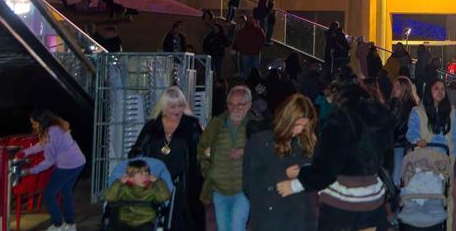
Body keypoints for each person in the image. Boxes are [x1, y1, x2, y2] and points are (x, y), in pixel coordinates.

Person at [276, 66, 395, 231]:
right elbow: (388, 158)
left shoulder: (339, 121)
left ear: (334, 91)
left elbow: (326, 170)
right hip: (372, 202)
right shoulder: (378, 116)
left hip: (343, 207)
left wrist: (296, 184)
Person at [130, 86, 205, 231]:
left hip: (184, 185)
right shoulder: (152, 126)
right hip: (155, 183)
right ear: (164, 107)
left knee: (183, 222)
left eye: (180, 105)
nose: (177, 110)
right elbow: (137, 149)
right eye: (172, 106)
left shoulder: (192, 125)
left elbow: (202, 149)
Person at [244, 94, 318, 231]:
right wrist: (284, 174)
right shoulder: (260, 141)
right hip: (270, 218)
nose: (300, 130)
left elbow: (316, 177)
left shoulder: (304, 143)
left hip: (300, 218)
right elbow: (249, 185)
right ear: (287, 119)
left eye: (304, 126)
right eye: (297, 125)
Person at [197, 85, 257, 231]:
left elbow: (264, 152)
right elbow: (201, 148)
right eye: (231, 104)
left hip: (243, 188)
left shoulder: (255, 125)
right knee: (224, 228)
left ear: (249, 105)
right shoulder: (217, 123)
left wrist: (245, 151)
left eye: (240, 104)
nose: (235, 108)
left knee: (237, 226)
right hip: (219, 187)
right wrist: (208, 170)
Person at [22, 109, 86, 231]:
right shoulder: (56, 127)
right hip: (79, 161)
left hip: (67, 165)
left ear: (41, 122)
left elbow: (48, 161)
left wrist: (30, 171)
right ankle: (70, 225)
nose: (33, 126)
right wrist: (25, 152)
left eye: (34, 123)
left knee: (49, 194)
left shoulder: (50, 134)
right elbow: (42, 145)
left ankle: (58, 225)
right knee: (66, 191)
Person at [105, 159, 172, 231]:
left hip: (146, 220)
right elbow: (109, 197)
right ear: (130, 178)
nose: (145, 177)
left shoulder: (152, 189)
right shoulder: (124, 188)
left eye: (147, 174)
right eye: (141, 174)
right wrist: (119, 182)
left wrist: (158, 181)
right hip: (125, 220)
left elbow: (165, 197)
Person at [389, 75, 420, 182]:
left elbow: (398, 125)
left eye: (397, 87)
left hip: (401, 144)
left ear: (404, 88)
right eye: (394, 86)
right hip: (397, 143)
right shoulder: (396, 103)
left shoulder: (407, 106)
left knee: (396, 175)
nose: (394, 89)